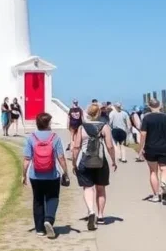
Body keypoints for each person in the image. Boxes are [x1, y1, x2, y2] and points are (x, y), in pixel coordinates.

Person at [23, 112, 71, 239]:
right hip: (52, 175)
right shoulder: (55, 138)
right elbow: (61, 157)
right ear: (48, 123)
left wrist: (24, 175)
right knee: (52, 197)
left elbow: (27, 159)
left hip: (35, 175)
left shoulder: (31, 138)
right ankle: (48, 219)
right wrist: (65, 172)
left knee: (38, 200)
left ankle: (39, 229)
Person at [71, 102, 117, 230]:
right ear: (99, 113)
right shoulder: (105, 127)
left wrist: (74, 162)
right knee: (101, 189)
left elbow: (76, 147)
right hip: (100, 161)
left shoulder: (81, 128)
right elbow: (109, 146)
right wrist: (113, 160)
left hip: (86, 160)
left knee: (88, 188)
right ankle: (101, 216)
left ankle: (91, 211)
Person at [139, 100, 166, 205]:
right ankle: (163, 183)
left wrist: (141, 147)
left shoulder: (146, 118)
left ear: (149, 106)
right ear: (160, 105)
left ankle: (156, 195)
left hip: (150, 147)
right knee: (165, 169)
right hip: (164, 147)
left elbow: (143, 134)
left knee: (153, 171)